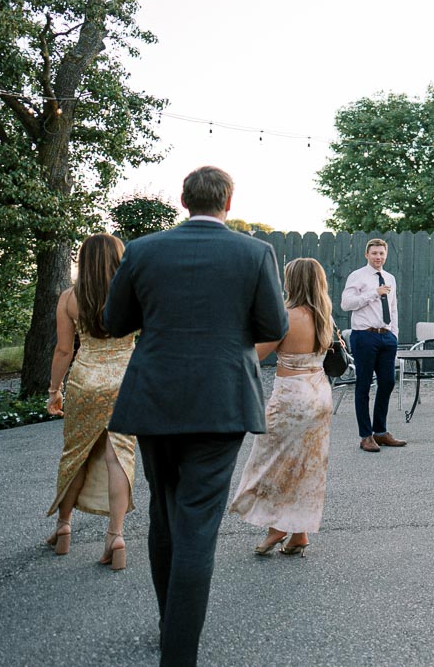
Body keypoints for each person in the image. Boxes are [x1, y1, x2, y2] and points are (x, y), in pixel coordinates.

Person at [105, 166, 289, 666]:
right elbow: (273, 324)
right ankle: (178, 652)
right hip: (221, 402)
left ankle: (172, 628)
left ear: (183, 200)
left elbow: (113, 321)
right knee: (197, 528)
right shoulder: (255, 253)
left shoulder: (142, 250)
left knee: (165, 515)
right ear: (228, 201)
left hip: (156, 400)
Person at [228, 258, 335, 557]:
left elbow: (254, 356)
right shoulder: (324, 316)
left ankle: (276, 527)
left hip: (292, 399)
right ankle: (299, 534)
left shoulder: (285, 317)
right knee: (304, 466)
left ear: (293, 282)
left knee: (271, 463)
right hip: (319, 396)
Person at [45, 233, 136, 568]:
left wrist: (55, 390)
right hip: (126, 382)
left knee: (75, 455)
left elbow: (64, 350)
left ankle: (64, 528)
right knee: (119, 457)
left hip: (85, 381)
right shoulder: (133, 295)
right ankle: (116, 536)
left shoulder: (70, 298)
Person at [341, 238, 404, 453]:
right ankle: (365, 436)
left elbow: (393, 308)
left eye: (382, 253)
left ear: (386, 255)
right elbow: (346, 303)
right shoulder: (357, 276)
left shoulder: (390, 278)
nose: (378, 257)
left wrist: (394, 334)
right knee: (364, 385)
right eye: (374, 253)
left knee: (387, 382)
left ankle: (380, 431)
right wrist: (373, 294)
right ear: (367, 255)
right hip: (364, 336)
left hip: (386, 337)